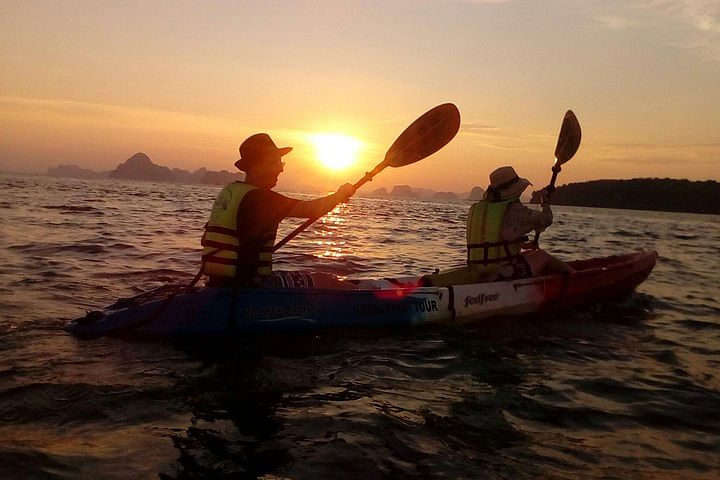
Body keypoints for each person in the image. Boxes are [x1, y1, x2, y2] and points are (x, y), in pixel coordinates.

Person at [201, 133, 355, 288]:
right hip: (248, 286)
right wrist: (339, 196)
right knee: (324, 281)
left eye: (281, 163)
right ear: (256, 165)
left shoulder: (230, 193)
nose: (279, 170)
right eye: (274, 163)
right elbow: (311, 209)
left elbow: (206, 239)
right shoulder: (262, 198)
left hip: (217, 283)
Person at [419, 166, 573, 286]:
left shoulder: (480, 208)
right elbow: (545, 220)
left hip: (478, 270)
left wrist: (522, 244)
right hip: (501, 273)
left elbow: (500, 238)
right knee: (541, 255)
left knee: (530, 254)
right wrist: (545, 202)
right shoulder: (514, 209)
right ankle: (576, 278)